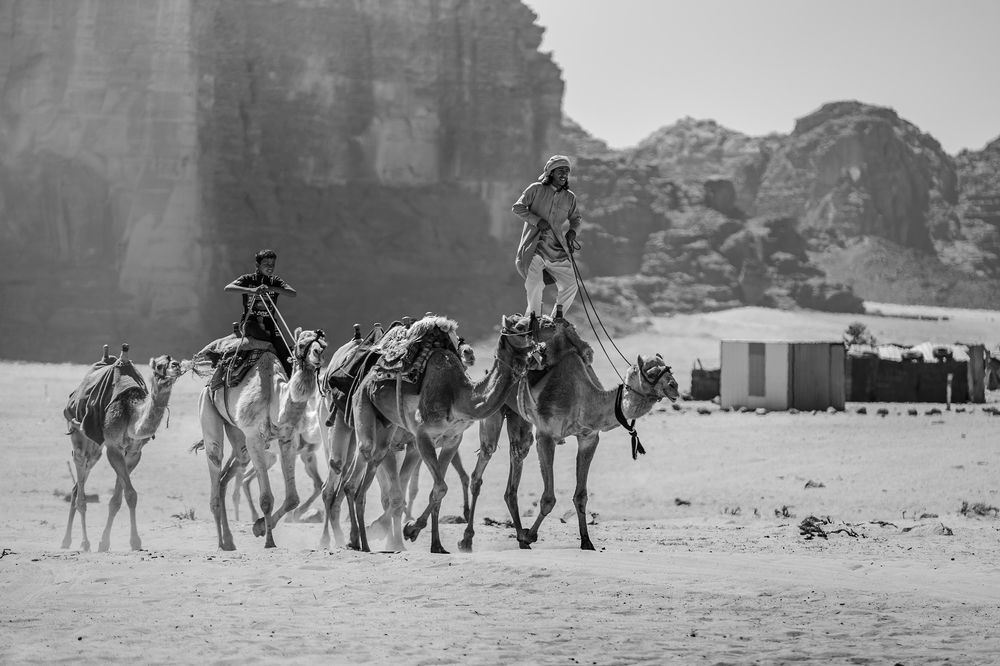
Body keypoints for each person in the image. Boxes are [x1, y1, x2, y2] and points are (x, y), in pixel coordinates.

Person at [512, 154, 582, 318]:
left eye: (567, 171)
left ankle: (556, 319)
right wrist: (537, 221)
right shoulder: (536, 189)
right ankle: (533, 319)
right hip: (534, 247)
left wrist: (573, 231)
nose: (564, 174)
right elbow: (518, 207)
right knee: (535, 284)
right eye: (560, 170)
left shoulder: (570, 197)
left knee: (571, 284)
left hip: (556, 249)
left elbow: (576, 219)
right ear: (551, 172)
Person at [225, 248, 298, 376]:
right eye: (266, 264)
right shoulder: (248, 279)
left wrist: (271, 288)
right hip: (249, 322)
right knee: (269, 341)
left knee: (284, 350)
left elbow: (292, 293)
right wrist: (252, 291)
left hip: (270, 322)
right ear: (257, 265)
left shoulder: (275, 281)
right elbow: (228, 288)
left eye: (272, 264)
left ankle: (289, 379)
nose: (270, 267)